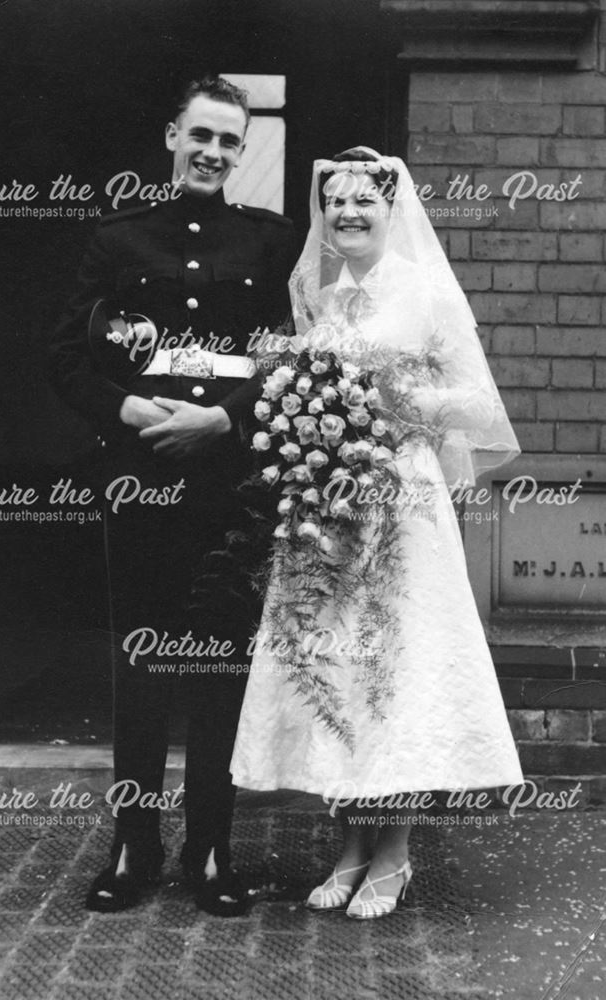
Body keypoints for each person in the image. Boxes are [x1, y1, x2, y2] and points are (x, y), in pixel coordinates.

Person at [231, 147, 523, 919]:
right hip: (330, 510)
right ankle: (351, 845)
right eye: (336, 203)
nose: (349, 214)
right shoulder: (322, 299)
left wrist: (385, 398)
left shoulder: (426, 292)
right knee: (338, 669)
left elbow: (477, 405)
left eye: (365, 201)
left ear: (393, 210)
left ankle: (393, 856)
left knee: (391, 665)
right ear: (322, 214)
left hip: (401, 506)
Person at [48, 75, 296, 916]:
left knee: (219, 667)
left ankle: (212, 852)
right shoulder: (119, 240)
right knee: (143, 666)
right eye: (201, 136)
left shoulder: (267, 243)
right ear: (171, 136)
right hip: (141, 479)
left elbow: (288, 363)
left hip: (229, 490)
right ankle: (133, 847)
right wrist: (126, 406)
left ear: (240, 151)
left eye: (229, 142)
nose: (213, 153)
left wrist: (222, 423)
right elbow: (66, 355)